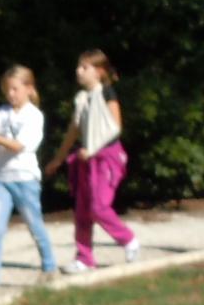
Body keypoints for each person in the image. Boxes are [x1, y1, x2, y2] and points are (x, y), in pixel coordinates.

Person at [44, 49, 140, 272]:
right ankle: (84, 258)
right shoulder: (82, 99)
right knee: (83, 211)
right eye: (78, 67)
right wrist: (58, 159)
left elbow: (115, 126)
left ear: (99, 71)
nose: (79, 71)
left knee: (99, 207)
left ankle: (129, 240)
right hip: (87, 158)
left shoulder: (107, 93)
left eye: (84, 67)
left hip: (108, 157)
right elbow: (73, 131)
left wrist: (93, 148)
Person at [0, 65, 58, 291]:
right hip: (0, 179)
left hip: (25, 179)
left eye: (15, 89)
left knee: (34, 224)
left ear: (29, 88)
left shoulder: (34, 116)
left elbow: (19, 146)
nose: (10, 94)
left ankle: (49, 266)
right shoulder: (0, 113)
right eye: (7, 90)